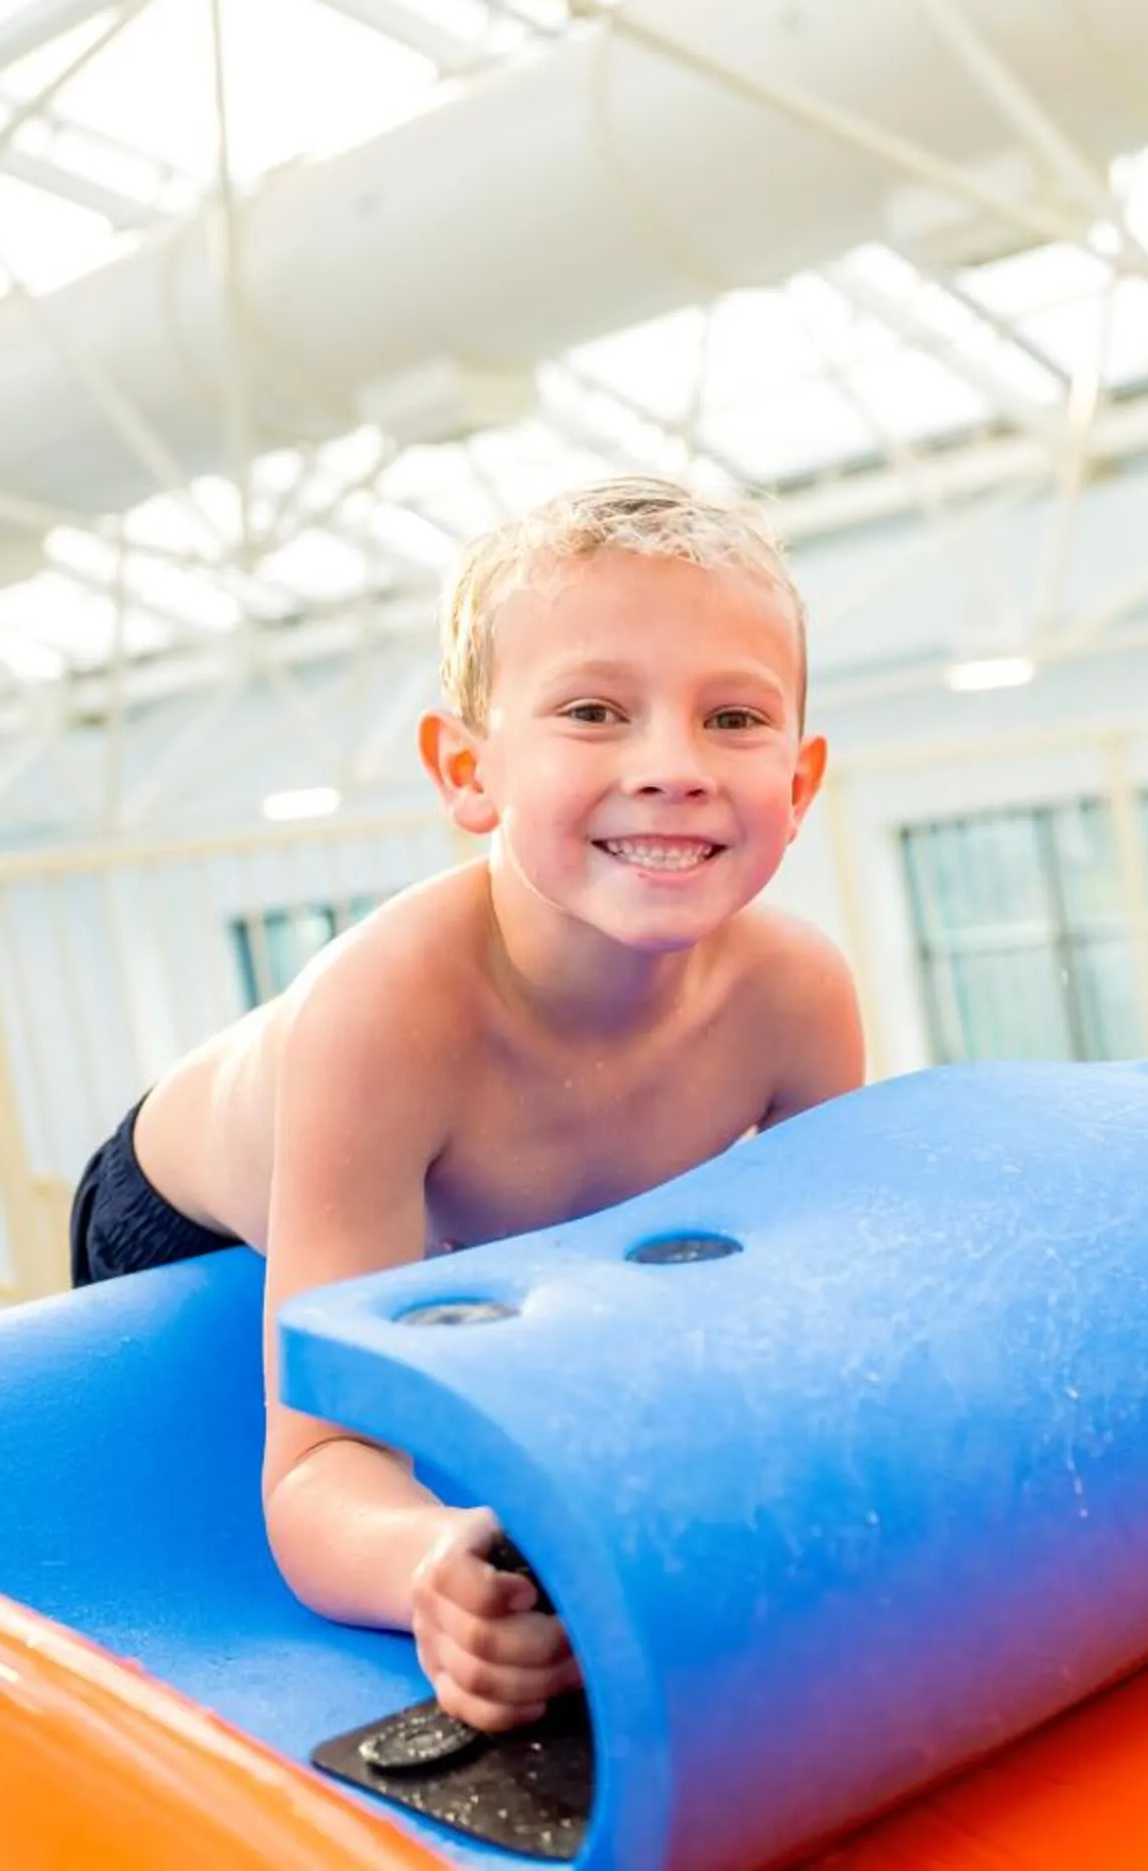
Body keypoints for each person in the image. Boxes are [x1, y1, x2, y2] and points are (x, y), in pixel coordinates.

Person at [64, 476, 864, 1733]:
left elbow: (822, 1318)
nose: (672, 767)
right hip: (192, 1224)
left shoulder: (798, 998)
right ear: (467, 770)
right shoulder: (383, 1019)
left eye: (734, 716)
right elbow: (320, 1464)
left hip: (472, 1237)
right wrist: (427, 1561)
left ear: (801, 783)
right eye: (593, 711)